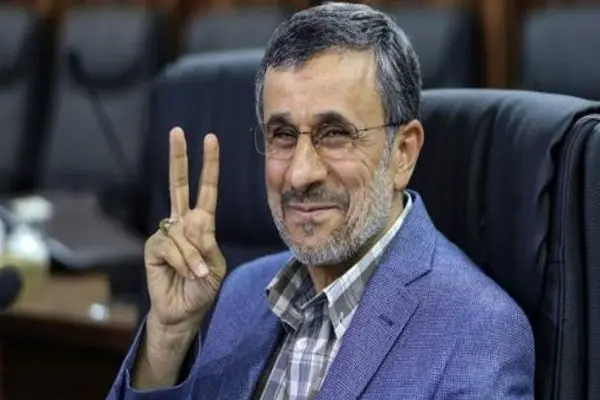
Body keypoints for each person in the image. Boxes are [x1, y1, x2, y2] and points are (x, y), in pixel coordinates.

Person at [108, 3, 534, 399]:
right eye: (282, 135)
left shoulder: (478, 333)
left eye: (335, 134)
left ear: (403, 153)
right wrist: (169, 336)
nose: (300, 173)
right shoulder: (240, 292)